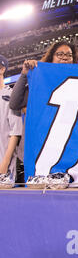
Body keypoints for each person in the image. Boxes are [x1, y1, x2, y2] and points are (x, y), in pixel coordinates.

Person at [9, 41, 78, 165]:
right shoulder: (40, 80)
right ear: (51, 57)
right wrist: (24, 74)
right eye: (60, 54)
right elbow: (15, 103)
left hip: (67, 149)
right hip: (39, 147)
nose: (65, 57)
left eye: (69, 55)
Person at [0, 55, 23, 187]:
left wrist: (5, 163)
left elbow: (16, 133)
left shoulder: (10, 96)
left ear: (2, 69)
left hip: (3, 164)